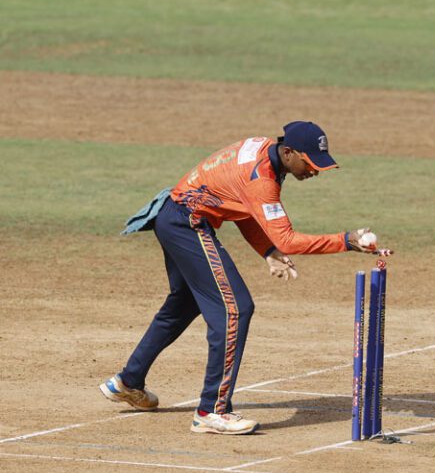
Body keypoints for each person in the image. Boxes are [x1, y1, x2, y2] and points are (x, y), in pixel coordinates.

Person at [99, 121, 380, 435]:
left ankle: (127, 381)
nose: (314, 170)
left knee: (183, 305)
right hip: (187, 224)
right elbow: (287, 239)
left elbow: (243, 209)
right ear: (288, 152)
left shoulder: (265, 152)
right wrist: (347, 241)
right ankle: (211, 411)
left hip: (174, 217)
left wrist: (267, 251)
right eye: (309, 162)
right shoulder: (263, 179)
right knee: (235, 310)